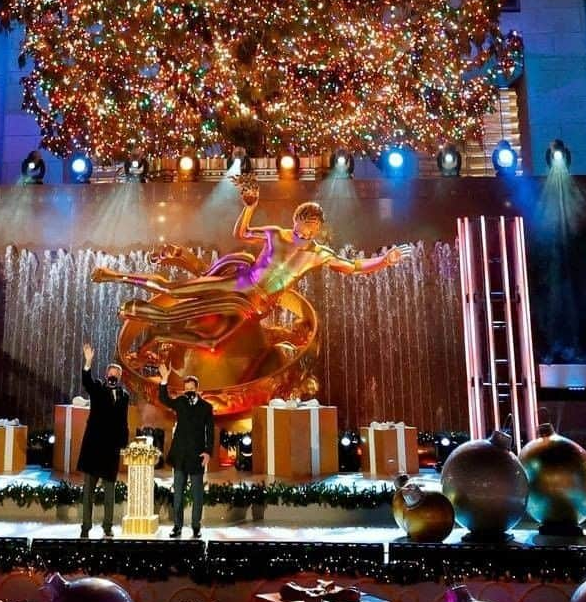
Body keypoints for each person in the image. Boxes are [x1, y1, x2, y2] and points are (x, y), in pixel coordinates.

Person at [94, 183, 406, 355]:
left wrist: (383, 261)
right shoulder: (275, 233)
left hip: (257, 307)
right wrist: (249, 207)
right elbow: (242, 235)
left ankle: (160, 336)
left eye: (312, 227)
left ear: (318, 229)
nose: (306, 231)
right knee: (174, 291)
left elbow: (352, 266)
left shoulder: (318, 254)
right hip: (239, 286)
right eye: (303, 224)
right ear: (295, 220)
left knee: (213, 343)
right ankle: (115, 276)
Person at [76, 342, 129, 539]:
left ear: (120, 377)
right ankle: (85, 527)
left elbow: (123, 421)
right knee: (88, 491)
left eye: (117, 374)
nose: (113, 376)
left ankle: (107, 526)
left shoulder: (124, 396)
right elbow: (87, 381)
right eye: (111, 373)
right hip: (94, 448)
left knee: (109, 493)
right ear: (106, 375)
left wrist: (123, 444)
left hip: (111, 451)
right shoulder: (97, 388)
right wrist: (88, 362)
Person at [157, 362, 214, 538]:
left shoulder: (206, 407)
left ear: (197, 389)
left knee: (197, 494)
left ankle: (196, 526)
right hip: (180, 455)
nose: (188, 390)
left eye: (191, 388)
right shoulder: (180, 402)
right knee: (178, 494)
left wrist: (208, 452)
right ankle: (177, 526)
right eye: (186, 388)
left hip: (197, 456)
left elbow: (210, 431)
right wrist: (164, 380)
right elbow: (164, 399)